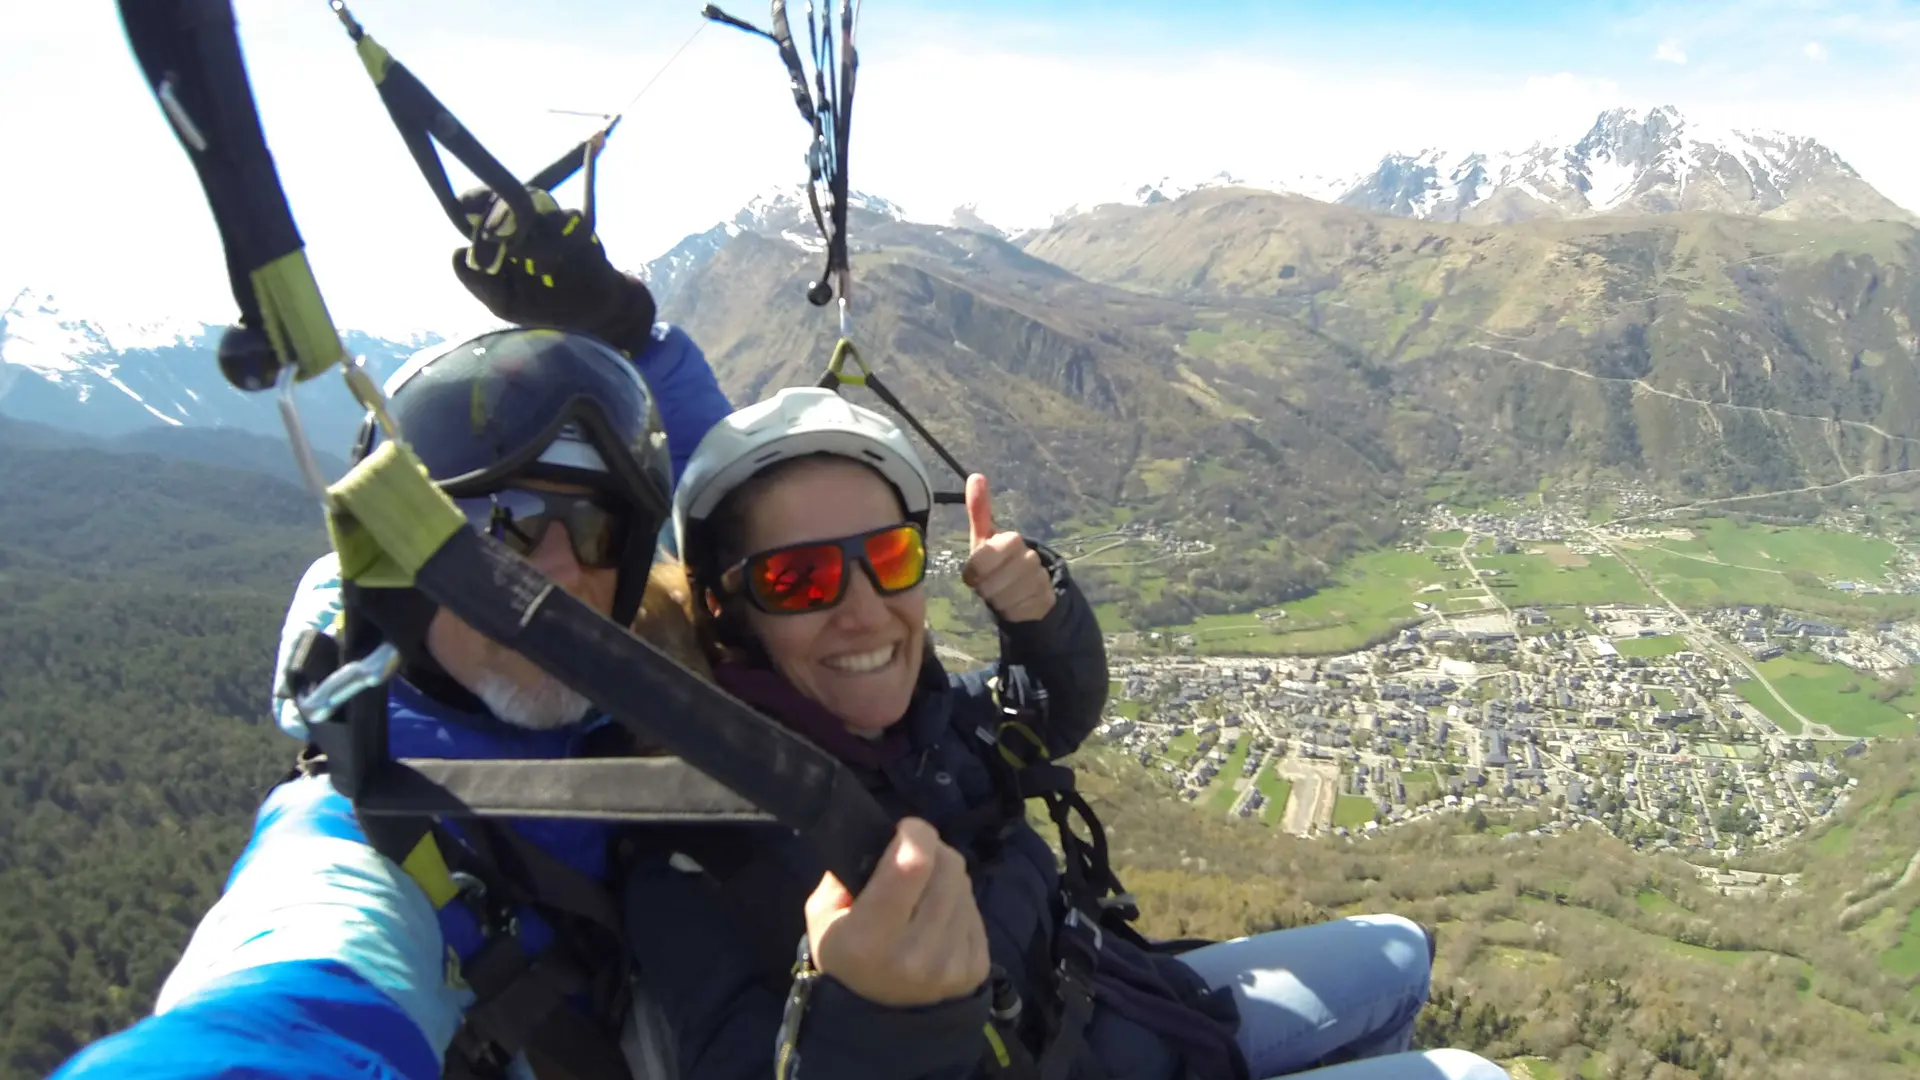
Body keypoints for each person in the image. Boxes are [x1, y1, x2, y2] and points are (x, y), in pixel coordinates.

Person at [621, 386, 1512, 1080]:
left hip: (1134, 1011)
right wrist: (864, 1016)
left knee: (1402, 946)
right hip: (1101, 1046)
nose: (863, 610)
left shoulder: (925, 726)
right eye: (800, 578)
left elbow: (1045, 710)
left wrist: (1043, 613)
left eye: (889, 558)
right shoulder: (701, 850)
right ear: (723, 609)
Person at [46, 326, 748, 1080]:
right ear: (404, 573)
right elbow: (290, 1005)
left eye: (594, 528)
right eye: (501, 528)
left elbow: (765, 521)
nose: (557, 575)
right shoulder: (361, 834)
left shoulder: (655, 706)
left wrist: (643, 333)